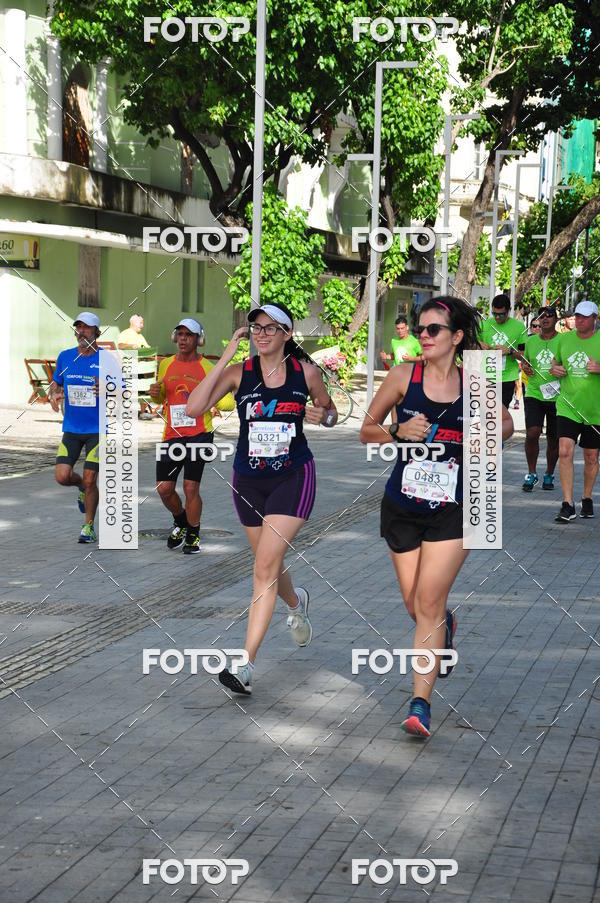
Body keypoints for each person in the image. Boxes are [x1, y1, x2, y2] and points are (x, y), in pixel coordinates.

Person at [360, 296, 514, 738]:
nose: (422, 336)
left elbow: (505, 426)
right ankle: (445, 626)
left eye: (433, 330)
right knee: (417, 605)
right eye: (420, 329)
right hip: (402, 507)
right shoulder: (403, 375)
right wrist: (396, 430)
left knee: (428, 601)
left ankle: (420, 703)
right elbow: (365, 431)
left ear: (457, 337)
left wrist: (485, 426)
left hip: (457, 508)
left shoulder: (476, 381)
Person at [186, 302, 337, 694]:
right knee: (266, 565)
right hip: (248, 481)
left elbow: (330, 410)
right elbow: (193, 408)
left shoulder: (305, 373)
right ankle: (295, 603)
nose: (262, 333)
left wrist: (325, 417)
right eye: (256, 327)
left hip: (293, 477)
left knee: (263, 568)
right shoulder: (240, 373)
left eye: (271, 328)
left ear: (287, 334)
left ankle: (245, 664)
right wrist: (225, 357)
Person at [149, 318, 235, 554]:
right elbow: (161, 398)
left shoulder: (207, 368)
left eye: (189, 335)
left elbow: (228, 403)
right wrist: (154, 393)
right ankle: (180, 520)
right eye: (180, 334)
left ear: (199, 339)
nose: (184, 338)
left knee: (190, 487)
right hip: (172, 435)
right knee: (164, 489)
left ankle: (193, 534)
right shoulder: (166, 364)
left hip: (200, 434)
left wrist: (208, 399)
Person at [49, 312, 101, 543]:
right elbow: (55, 383)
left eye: (87, 328)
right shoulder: (65, 357)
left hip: (99, 431)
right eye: (78, 327)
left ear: (97, 332)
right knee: (62, 476)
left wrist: (110, 389)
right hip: (71, 428)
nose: (81, 331)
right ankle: (79, 486)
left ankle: (88, 526)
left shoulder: (107, 360)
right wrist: (53, 395)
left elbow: (124, 393)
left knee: (92, 479)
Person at [549, 300, 600, 522]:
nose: (579, 320)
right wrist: (555, 369)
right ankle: (568, 503)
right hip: (567, 406)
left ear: (595, 319)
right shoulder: (564, 339)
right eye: (577, 316)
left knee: (591, 456)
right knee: (565, 451)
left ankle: (586, 497)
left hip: (594, 410)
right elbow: (554, 364)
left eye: (585, 317)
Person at [519, 307, 560, 492]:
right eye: (541, 316)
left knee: (553, 439)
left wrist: (560, 369)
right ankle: (532, 473)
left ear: (555, 319)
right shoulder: (531, 341)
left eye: (549, 316)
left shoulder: (563, 340)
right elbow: (526, 362)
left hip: (558, 395)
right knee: (532, 433)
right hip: (534, 392)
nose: (545, 319)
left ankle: (549, 473)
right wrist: (526, 367)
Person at [478, 293, 527, 408]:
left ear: (509, 310)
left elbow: (524, 355)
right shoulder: (484, 324)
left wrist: (509, 351)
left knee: (499, 415)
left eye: (501, 314)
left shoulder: (519, 327)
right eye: (494, 314)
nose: (497, 317)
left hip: (506, 378)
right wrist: (478, 344)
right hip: (486, 376)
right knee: (486, 415)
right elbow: (469, 343)